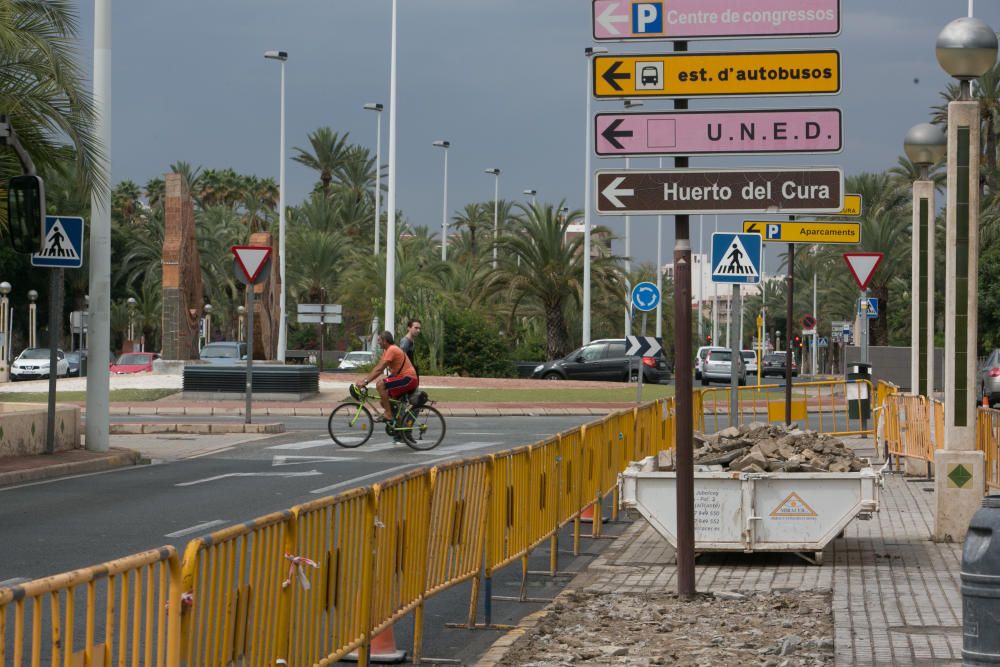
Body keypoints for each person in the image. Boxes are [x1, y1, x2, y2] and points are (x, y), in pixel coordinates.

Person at [356, 331, 418, 422]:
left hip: (408, 378)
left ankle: (388, 415)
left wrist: (365, 382)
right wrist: (364, 380)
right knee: (384, 402)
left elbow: (379, 369)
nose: (378, 342)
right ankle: (400, 423)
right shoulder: (387, 350)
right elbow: (378, 367)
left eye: (379, 340)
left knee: (380, 385)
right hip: (403, 378)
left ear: (385, 341)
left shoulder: (392, 349)